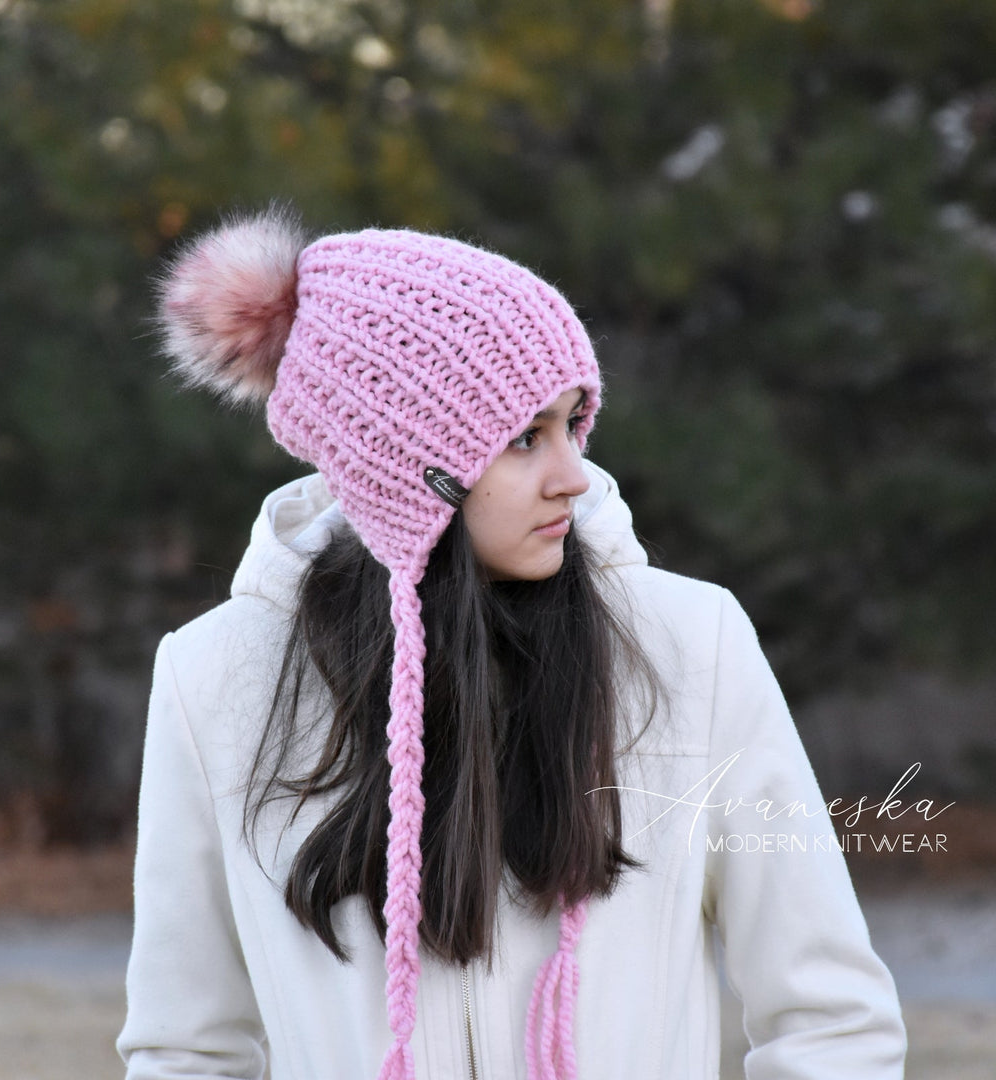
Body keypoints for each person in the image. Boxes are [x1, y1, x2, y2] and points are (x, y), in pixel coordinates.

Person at [117, 206, 907, 1080]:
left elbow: (830, 1018)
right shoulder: (216, 675)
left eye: (573, 422)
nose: (573, 473)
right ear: (402, 467)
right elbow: (186, 1047)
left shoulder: (693, 643)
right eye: (526, 438)